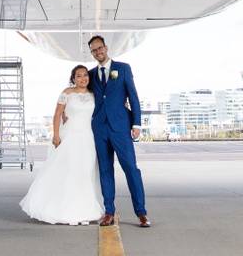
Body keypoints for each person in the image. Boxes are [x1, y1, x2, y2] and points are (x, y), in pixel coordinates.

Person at [19, 65, 102, 225]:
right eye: (78, 76)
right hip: (69, 136)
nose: (83, 78)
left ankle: (84, 210)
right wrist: (56, 135)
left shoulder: (93, 94)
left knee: (85, 172)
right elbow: (57, 114)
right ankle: (65, 210)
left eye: (85, 75)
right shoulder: (67, 93)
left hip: (87, 138)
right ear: (73, 78)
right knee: (69, 170)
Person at [88, 35, 150, 227]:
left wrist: (137, 124)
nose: (98, 52)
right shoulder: (90, 74)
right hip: (100, 129)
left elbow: (133, 95)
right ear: (91, 53)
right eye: (94, 50)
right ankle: (109, 212)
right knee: (105, 170)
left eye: (100, 48)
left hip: (121, 127)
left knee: (131, 168)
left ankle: (141, 213)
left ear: (106, 48)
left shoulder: (123, 68)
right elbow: (80, 93)